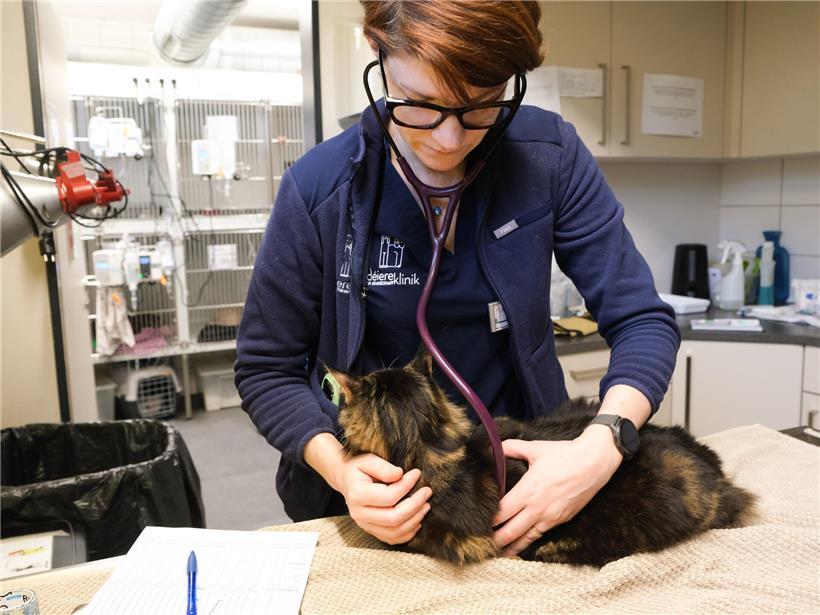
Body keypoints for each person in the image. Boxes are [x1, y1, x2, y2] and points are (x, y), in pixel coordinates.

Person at [235, 0, 680, 558]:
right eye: (420, 106)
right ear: (376, 52)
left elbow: (641, 319)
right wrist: (341, 469)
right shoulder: (319, 189)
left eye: (480, 106)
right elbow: (265, 369)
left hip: (521, 477)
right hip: (375, 498)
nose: (449, 140)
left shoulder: (549, 157)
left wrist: (604, 442)